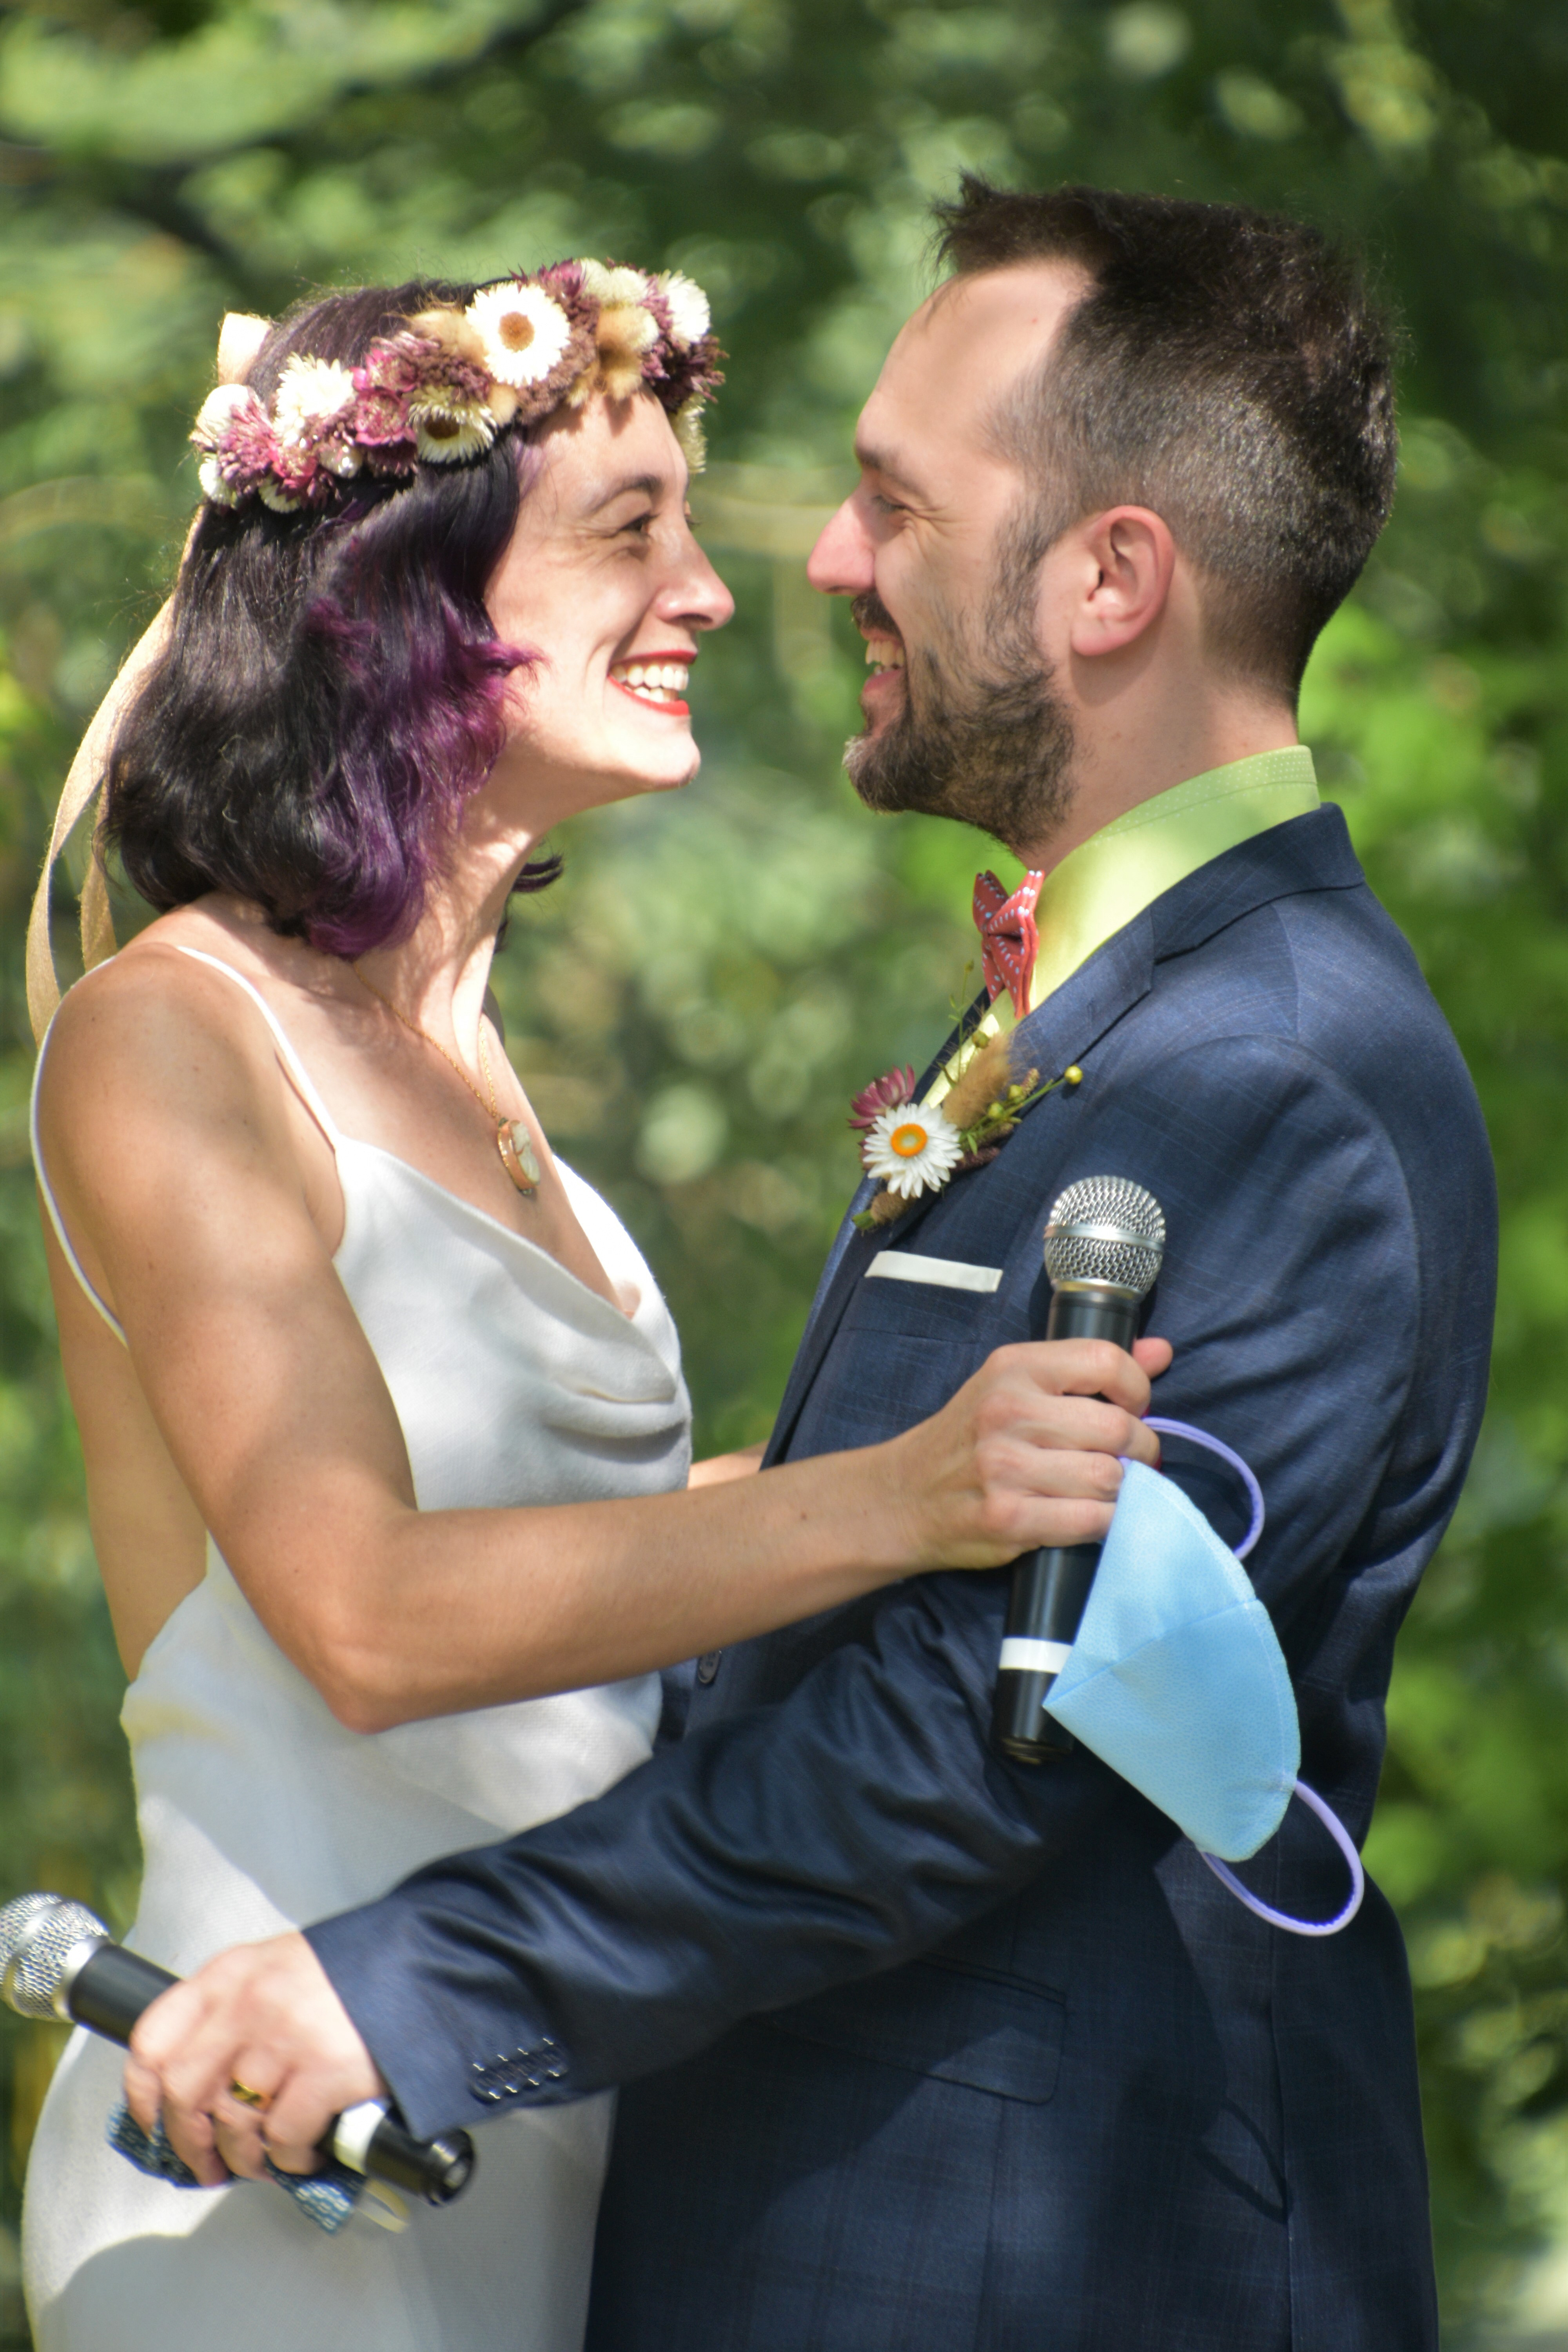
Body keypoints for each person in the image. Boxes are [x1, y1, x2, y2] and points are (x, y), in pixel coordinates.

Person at [129, 182, 1498, 2350]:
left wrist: (410, 1985)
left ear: (1111, 580)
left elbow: (968, 1738)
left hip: (1030, 2276)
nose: (826, 563)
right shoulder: (1104, 1028)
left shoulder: (1280, 1083)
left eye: (894, 505)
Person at [19, 255, 1167, 2352]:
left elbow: (598, 1569)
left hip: (547, 2128)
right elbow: (365, 1617)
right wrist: (904, 1500)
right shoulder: (169, 1037)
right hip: (281, 2171)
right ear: (400, 595)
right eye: (632, 527)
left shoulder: (472, 1058)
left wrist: (992, 1438)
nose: (716, 592)